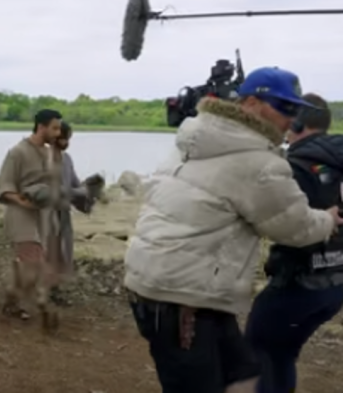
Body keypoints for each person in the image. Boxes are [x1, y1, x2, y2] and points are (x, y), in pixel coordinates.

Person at [123, 67, 343, 393]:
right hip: (182, 296)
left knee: (244, 375)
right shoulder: (259, 162)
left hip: (164, 279)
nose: (291, 119)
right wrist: (329, 218)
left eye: (297, 111)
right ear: (251, 103)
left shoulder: (196, 135)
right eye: (285, 107)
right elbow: (295, 227)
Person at [245, 93, 343, 393]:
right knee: (283, 353)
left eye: (290, 119)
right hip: (335, 285)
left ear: (299, 123)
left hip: (297, 283)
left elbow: (283, 224)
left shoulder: (296, 164)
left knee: (258, 349)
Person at [0, 108, 63, 330]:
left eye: (59, 129)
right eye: (54, 128)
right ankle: (33, 305)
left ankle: (13, 300)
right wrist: (22, 201)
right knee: (31, 261)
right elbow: (5, 184)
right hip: (20, 214)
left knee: (33, 264)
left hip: (43, 216)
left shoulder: (50, 154)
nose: (58, 133)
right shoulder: (18, 152)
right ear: (41, 127)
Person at [48, 121, 92, 302]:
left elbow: (74, 183)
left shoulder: (66, 159)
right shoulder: (44, 159)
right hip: (47, 214)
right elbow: (54, 189)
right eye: (64, 138)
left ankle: (55, 288)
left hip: (63, 213)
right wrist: (77, 192)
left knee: (63, 252)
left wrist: (86, 192)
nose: (67, 142)